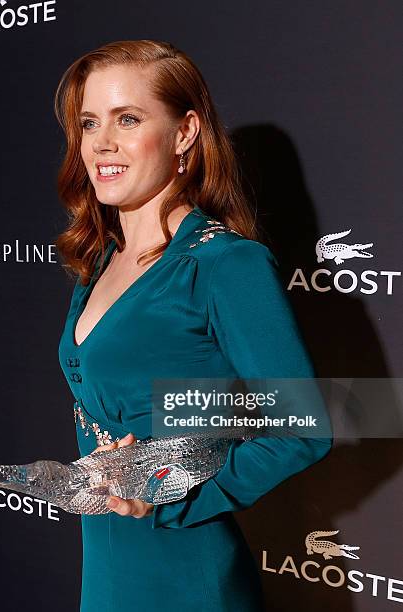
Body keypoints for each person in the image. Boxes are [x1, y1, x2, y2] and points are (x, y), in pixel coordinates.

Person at [55, 39, 332, 612]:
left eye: (127, 119)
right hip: (108, 567)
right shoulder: (101, 259)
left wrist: (168, 495)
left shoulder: (225, 265)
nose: (101, 142)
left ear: (184, 134)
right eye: (88, 123)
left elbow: (303, 428)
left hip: (187, 576)